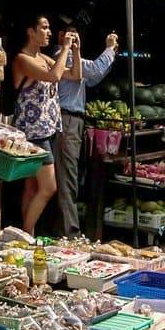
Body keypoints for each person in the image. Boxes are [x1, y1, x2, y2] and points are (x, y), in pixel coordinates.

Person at [54, 19, 118, 233]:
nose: (73, 41)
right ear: (60, 36)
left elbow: (92, 77)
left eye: (75, 36)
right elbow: (94, 69)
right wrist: (109, 49)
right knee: (67, 175)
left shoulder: (74, 58)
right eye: (69, 36)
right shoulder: (62, 57)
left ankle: (64, 228)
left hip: (74, 120)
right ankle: (69, 232)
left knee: (69, 174)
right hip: (67, 119)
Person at [9, 14, 71, 235]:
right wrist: (64, 48)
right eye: (44, 28)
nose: (49, 32)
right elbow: (54, 76)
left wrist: (76, 50)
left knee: (32, 187)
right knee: (49, 187)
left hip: (46, 128)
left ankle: (28, 233)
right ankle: (25, 232)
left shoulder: (43, 58)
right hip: (32, 132)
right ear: (30, 31)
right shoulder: (22, 59)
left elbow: (73, 75)